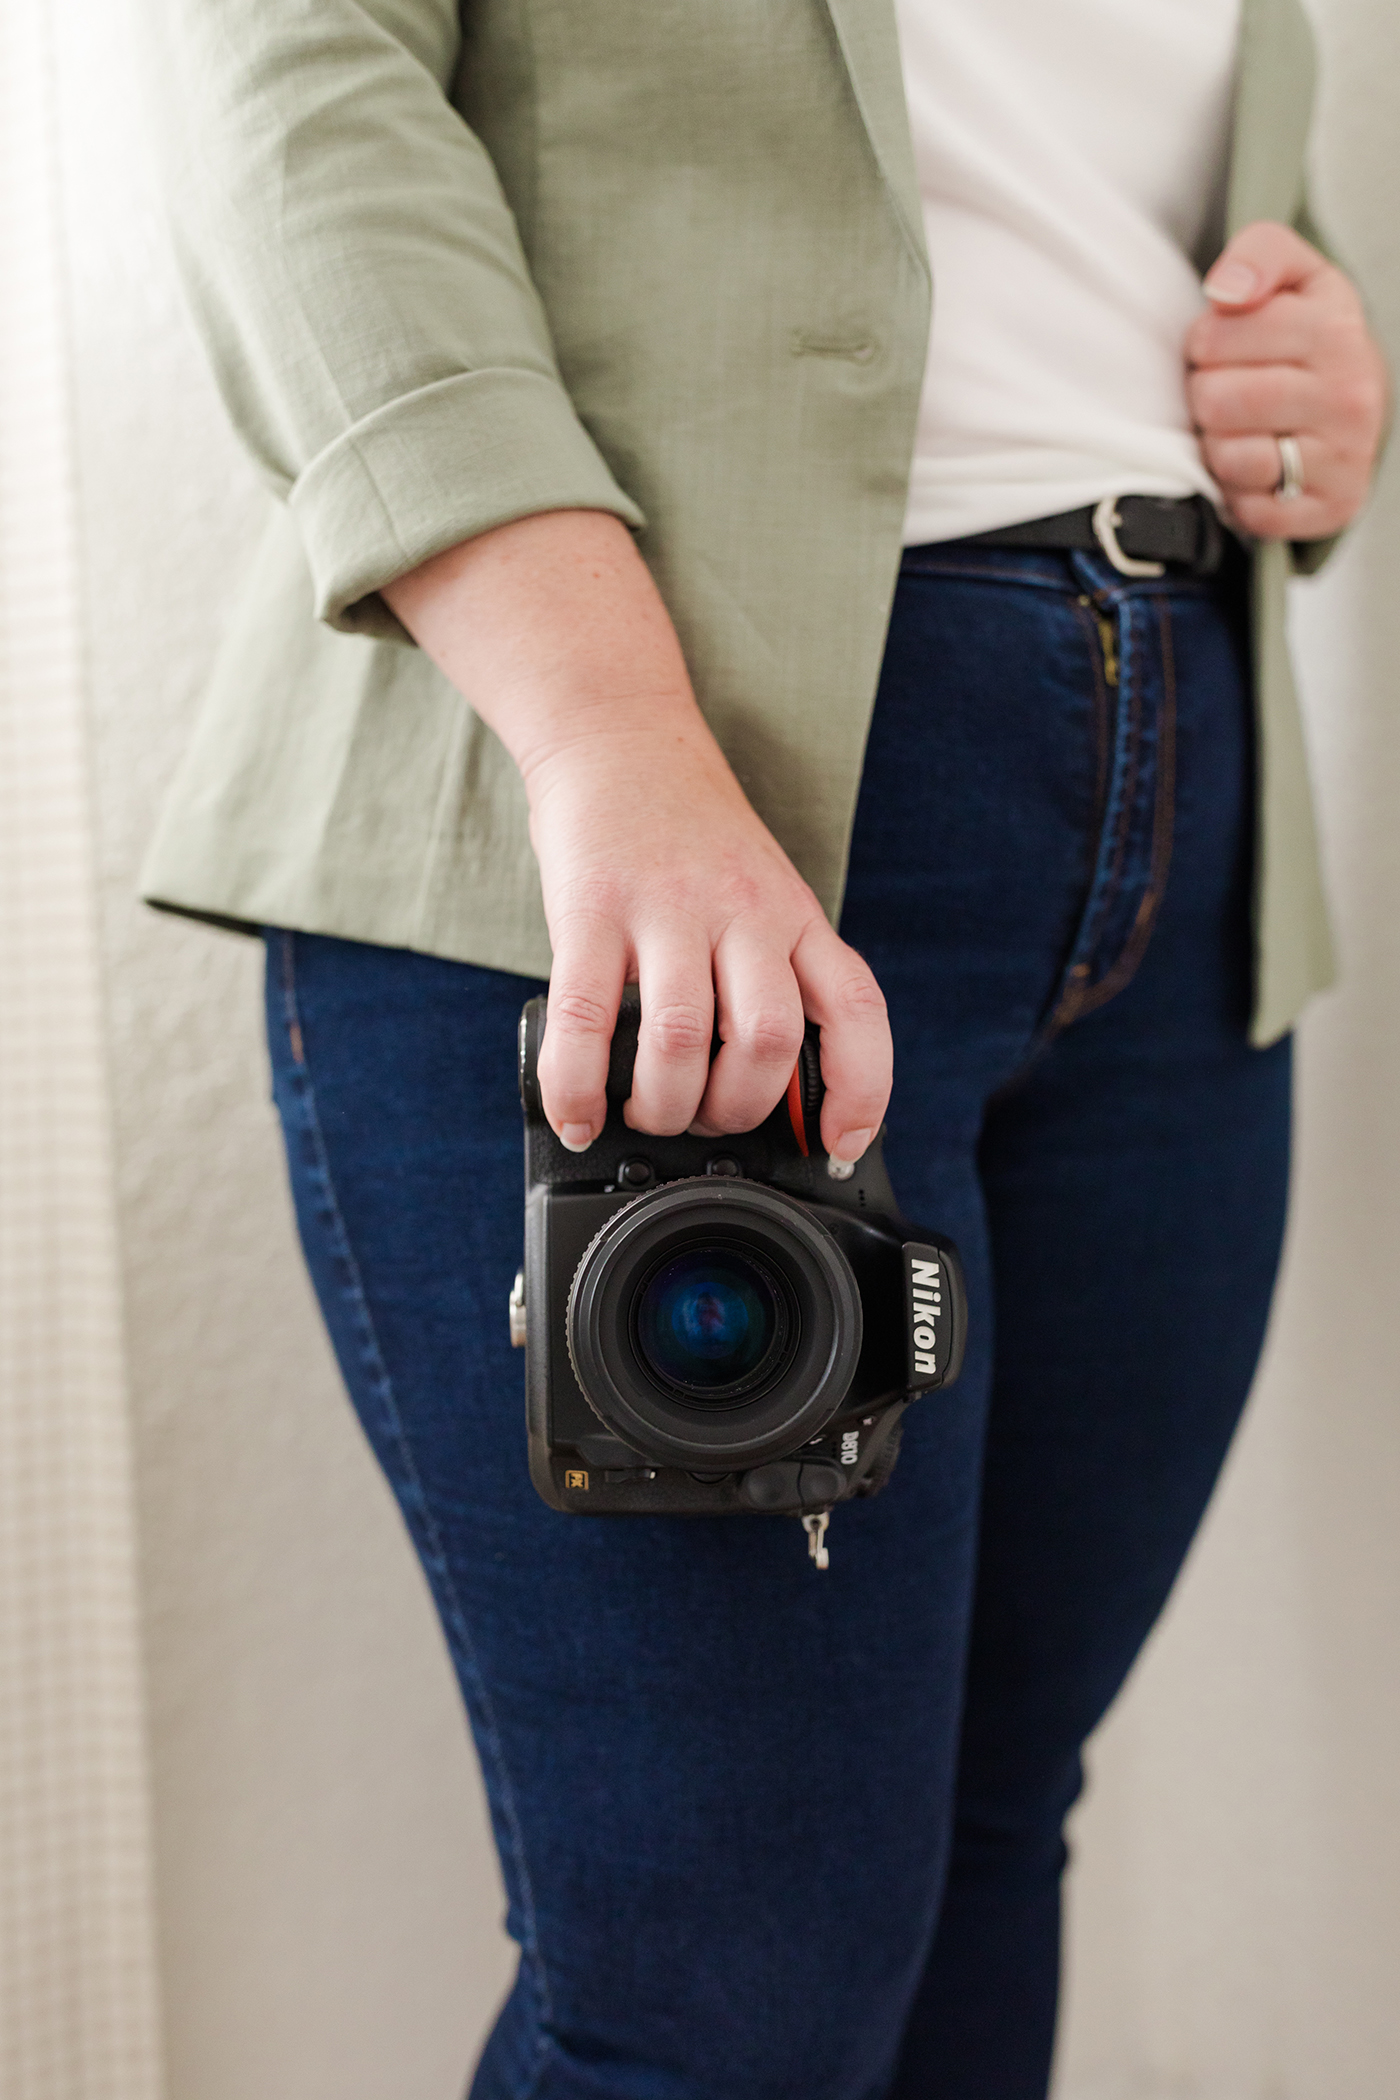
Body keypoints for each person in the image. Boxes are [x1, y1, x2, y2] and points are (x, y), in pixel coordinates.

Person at [139, 0, 1386, 2092]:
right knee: (726, 1996)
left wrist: (1312, 378)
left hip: (1175, 809)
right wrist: (614, 741)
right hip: (646, 836)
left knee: (980, 1852)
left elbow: (1075, 191)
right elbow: (295, 98)